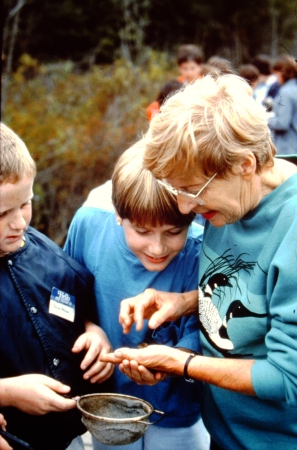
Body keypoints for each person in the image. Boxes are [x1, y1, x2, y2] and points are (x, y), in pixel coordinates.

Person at [100, 74, 297, 449]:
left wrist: (181, 363)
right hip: (223, 433)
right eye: (177, 190)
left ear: (244, 164)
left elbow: (286, 379)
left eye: (192, 191)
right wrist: (186, 301)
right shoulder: (233, 200)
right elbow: (253, 285)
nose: (184, 208)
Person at [64, 141, 209, 450]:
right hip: (108, 407)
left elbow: (207, 326)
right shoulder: (88, 225)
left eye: (173, 232)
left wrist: (171, 360)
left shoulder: (200, 251)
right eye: (142, 232)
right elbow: (68, 296)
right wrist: (91, 327)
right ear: (118, 214)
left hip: (177, 410)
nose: (157, 249)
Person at [0, 123, 113, 450]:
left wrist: (94, 332)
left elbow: (77, 304)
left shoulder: (46, 254)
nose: (19, 222)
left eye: (25, 204)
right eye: (2, 212)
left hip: (69, 435)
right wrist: (6, 392)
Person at [146, 44, 203, 121]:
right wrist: (159, 118)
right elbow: (153, 108)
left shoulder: (207, 85)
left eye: (192, 68)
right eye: (185, 69)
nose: (189, 72)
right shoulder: (173, 86)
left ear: (200, 67)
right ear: (179, 68)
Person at [268, 54, 297, 155]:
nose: (276, 78)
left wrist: (262, 119)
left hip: (287, 148)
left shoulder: (285, 92)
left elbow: (282, 123)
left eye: (276, 74)